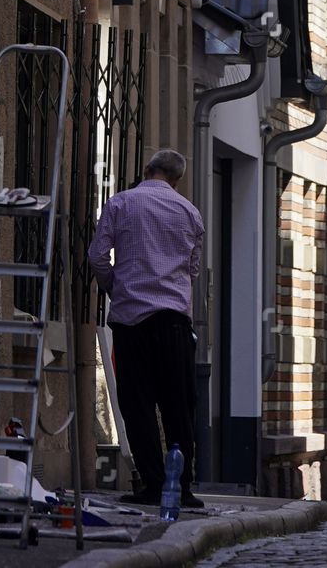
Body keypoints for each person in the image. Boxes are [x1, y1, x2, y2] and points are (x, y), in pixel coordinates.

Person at [88, 148, 205, 508]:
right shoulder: (190, 213)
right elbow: (193, 268)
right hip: (174, 324)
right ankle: (182, 487)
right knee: (178, 408)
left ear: (146, 170)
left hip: (131, 322)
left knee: (137, 406)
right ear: (177, 179)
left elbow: (97, 256)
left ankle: (153, 483)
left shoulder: (120, 203)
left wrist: (115, 286)